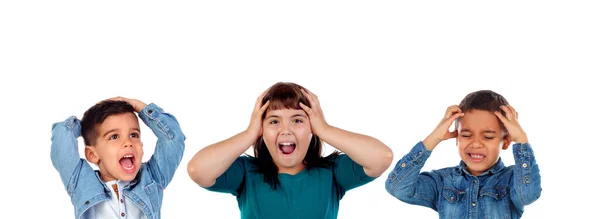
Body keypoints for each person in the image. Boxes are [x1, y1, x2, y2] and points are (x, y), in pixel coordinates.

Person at [187, 82, 393, 219]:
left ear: (311, 126)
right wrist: (249, 133)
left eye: (297, 120)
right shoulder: (246, 173)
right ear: (262, 129)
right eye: (274, 121)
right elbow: (198, 170)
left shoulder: (331, 173)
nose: (286, 130)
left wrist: (324, 129)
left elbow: (381, 157)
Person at [385, 90, 541, 218]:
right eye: (466, 135)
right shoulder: (443, 181)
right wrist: (434, 138)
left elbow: (528, 195)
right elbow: (397, 188)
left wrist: (521, 140)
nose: (476, 143)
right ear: (457, 138)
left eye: (487, 137)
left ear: (506, 141)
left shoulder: (513, 179)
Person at [51, 97, 186, 219]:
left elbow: (173, 139)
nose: (128, 142)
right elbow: (61, 141)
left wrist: (139, 107)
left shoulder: (152, 178)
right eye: (114, 136)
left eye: (134, 135)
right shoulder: (81, 183)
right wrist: (87, 124)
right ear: (92, 155)